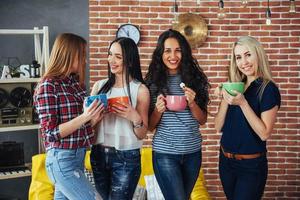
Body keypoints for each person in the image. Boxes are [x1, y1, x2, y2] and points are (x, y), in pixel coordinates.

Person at [33, 33, 103, 200]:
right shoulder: (47, 85)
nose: (85, 60)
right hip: (62, 161)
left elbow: (79, 127)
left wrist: (93, 119)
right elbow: (50, 134)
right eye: (82, 55)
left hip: (77, 157)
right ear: (69, 54)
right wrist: (85, 117)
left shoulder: (75, 84)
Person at [145, 29, 210, 200]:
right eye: (167, 51)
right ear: (160, 53)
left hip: (193, 153)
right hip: (165, 153)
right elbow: (150, 127)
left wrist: (192, 103)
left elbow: (202, 120)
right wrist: (158, 110)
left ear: (184, 52)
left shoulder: (196, 80)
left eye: (178, 50)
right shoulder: (152, 83)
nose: (173, 56)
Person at [214, 36, 281, 200]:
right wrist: (225, 96)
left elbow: (264, 133)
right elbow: (218, 126)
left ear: (258, 54)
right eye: (238, 57)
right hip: (226, 161)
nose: (244, 62)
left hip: (251, 166)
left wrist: (243, 103)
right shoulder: (238, 86)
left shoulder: (268, 89)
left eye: (248, 54)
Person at [90, 37, 150, 200]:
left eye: (118, 56)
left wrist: (134, 116)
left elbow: (142, 134)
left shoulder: (140, 90)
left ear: (129, 61)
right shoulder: (99, 86)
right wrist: (94, 119)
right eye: (110, 54)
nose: (111, 60)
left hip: (127, 157)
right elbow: (88, 128)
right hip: (98, 154)